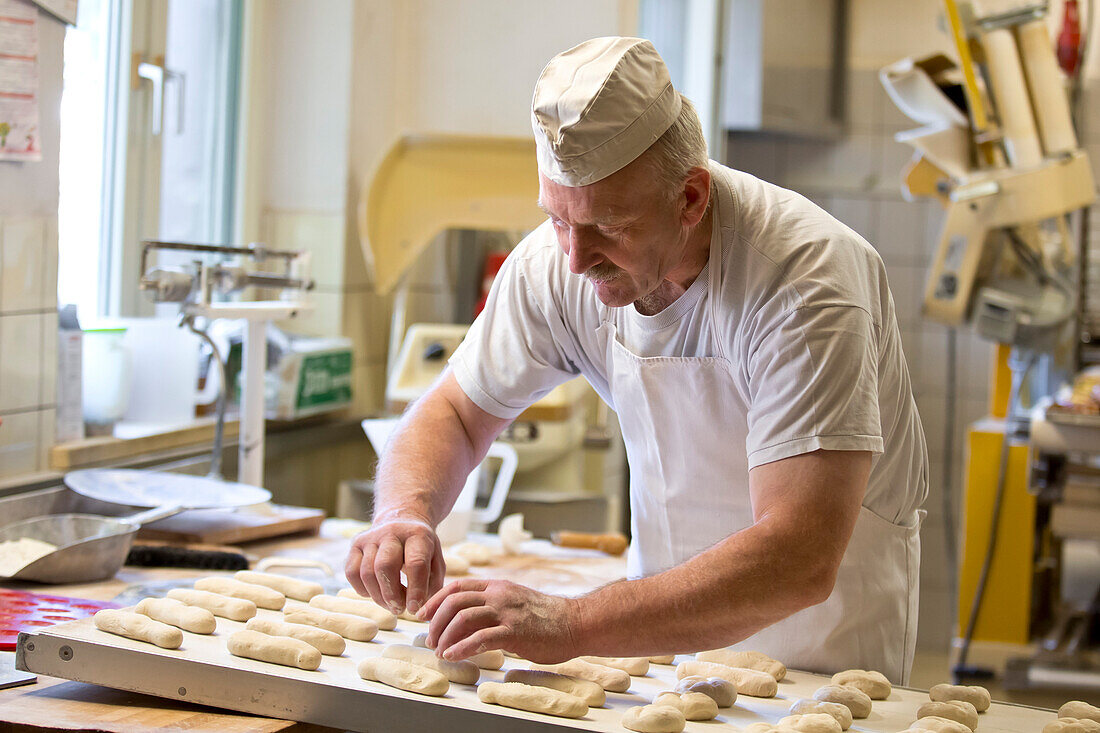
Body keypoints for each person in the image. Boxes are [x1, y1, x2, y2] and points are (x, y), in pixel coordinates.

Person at [346, 36, 928, 683]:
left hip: (827, 661)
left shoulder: (805, 280)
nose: (574, 257)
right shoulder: (556, 262)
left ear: (691, 199)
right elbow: (453, 410)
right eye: (559, 220)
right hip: (665, 649)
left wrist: (572, 623)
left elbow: (799, 554)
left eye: (608, 226)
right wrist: (403, 512)